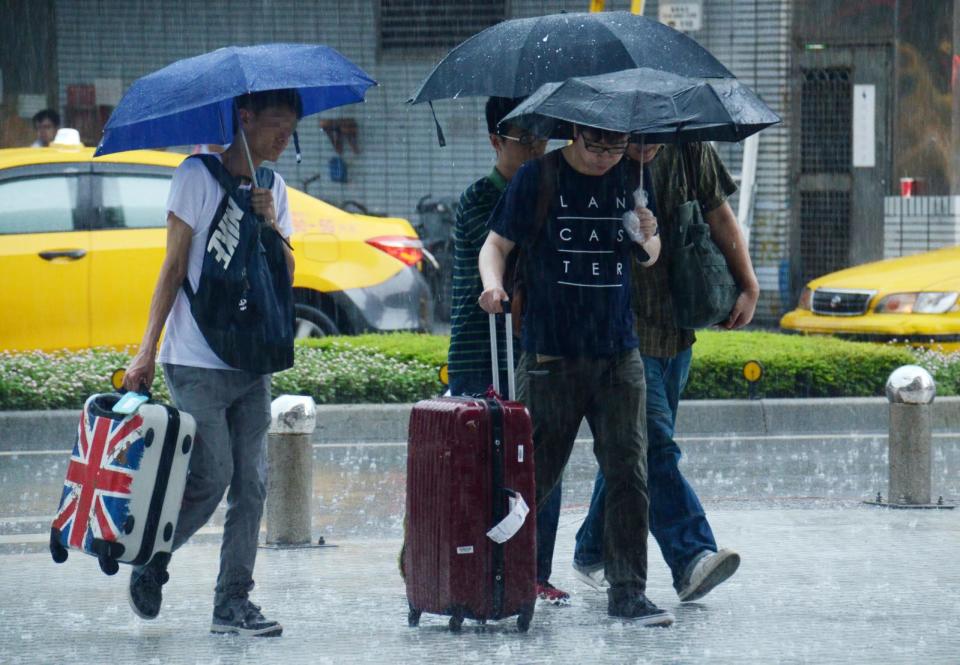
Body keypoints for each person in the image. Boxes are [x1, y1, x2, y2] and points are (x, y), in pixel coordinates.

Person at [122, 88, 300, 637]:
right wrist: (146, 348)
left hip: (252, 360)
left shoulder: (275, 188)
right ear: (243, 119)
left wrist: (270, 224)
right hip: (195, 359)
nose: (283, 138)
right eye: (275, 125)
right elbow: (173, 266)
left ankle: (232, 603)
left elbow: (288, 274)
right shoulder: (195, 177)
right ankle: (155, 556)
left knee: (253, 485)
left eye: (291, 128)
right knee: (213, 474)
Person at [478, 124, 673, 626]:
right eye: (597, 145)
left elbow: (650, 257)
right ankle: (492, 577)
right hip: (552, 355)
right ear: (575, 134)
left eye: (616, 145)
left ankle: (628, 591)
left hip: (617, 352)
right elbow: (495, 245)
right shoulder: (537, 177)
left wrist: (646, 237)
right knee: (531, 478)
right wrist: (492, 286)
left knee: (630, 470)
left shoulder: (632, 177)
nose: (607, 156)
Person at [571, 140, 758, 604]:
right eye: (637, 136)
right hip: (620, 334)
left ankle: (592, 546)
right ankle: (691, 555)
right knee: (654, 446)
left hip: (678, 326)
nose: (647, 146)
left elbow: (719, 216)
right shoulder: (595, 156)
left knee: (633, 451)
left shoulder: (690, 147)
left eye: (655, 136)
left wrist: (748, 285)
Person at [446, 97, 573, 605]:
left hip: (537, 345)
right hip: (481, 346)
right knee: (482, 464)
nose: (538, 149)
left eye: (544, 139)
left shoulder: (552, 188)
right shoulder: (480, 197)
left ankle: (533, 571)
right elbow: (504, 250)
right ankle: (469, 563)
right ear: (495, 141)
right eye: (526, 140)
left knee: (542, 459)